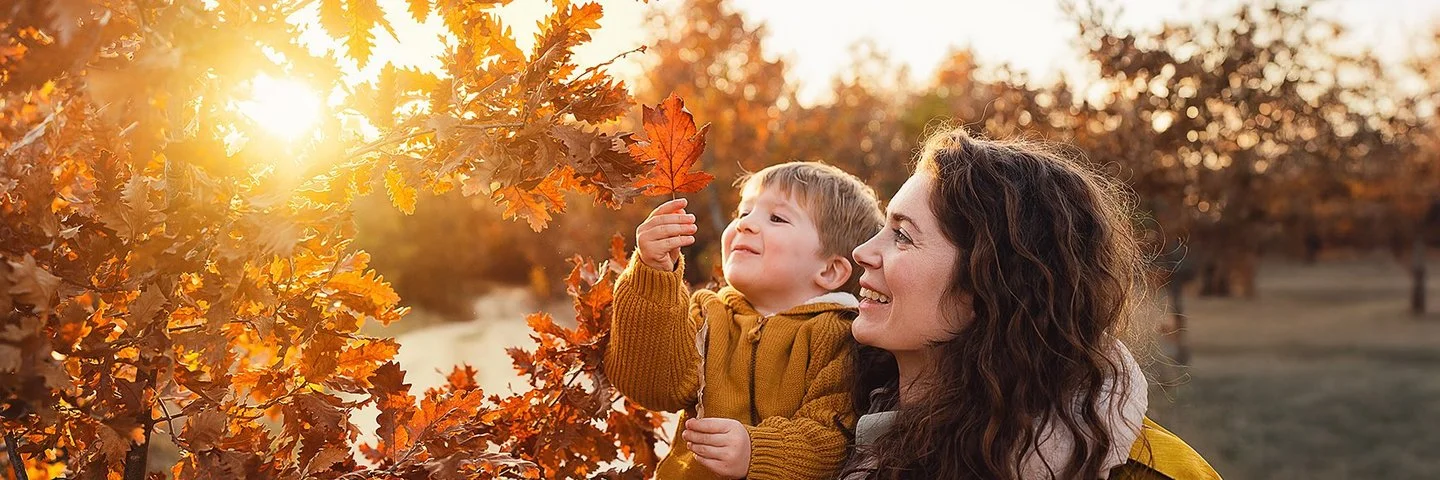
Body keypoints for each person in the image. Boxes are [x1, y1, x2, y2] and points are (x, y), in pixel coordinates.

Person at [841, 128, 1221, 479]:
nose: (862, 251)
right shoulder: (828, 420)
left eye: (903, 236)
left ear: (989, 282)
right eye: (884, 228)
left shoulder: (1157, 472)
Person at [605, 162, 885, 479]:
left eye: (776, 218)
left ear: (830, 271)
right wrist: (653, 275)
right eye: (743, 213)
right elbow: (650, 385)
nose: (745, 225)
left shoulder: (839, 337)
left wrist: (755, 451)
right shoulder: (707, 314)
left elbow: (833, 439)